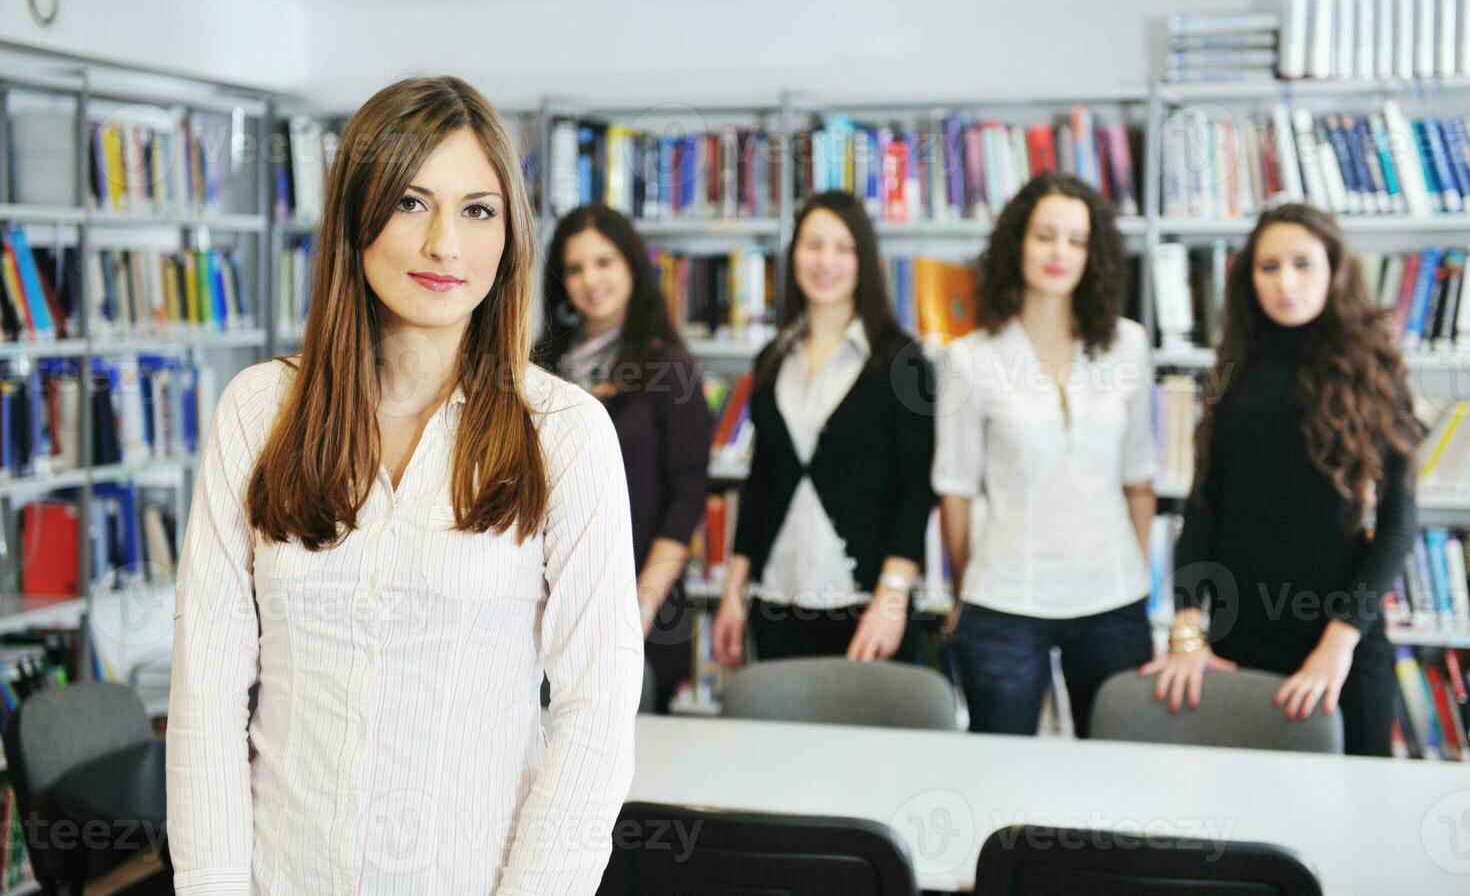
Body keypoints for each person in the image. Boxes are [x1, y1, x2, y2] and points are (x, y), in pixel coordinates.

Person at [167, 76, 642, 894]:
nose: (444, 247)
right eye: (412, 203)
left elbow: (594, 716)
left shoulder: (565, 434)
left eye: (477, 210)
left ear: (512, 234)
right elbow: (206, 694)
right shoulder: (257, 412)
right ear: (357, 217)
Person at [1143, 203, 1420, 757]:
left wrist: (1337, 646)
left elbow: (1397, 526)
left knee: (1355, 809)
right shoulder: (1232, 369)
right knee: (1241, 812)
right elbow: (1201, 512)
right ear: (1249, 278)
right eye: (1268, 267)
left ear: (1335, 269)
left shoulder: (1375, 373)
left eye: (1303, 264)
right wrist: (1187, 631)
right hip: (1236, 638)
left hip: (1342, 640)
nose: (1285, 282)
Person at [932, 172, 1157, 738]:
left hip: (1112, 597)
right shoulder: (969, 359)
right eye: (1045, 236)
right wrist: (964, 592)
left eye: (1077, 241)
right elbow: (956, 491)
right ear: (1017, 244)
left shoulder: (1127, 344)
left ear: (1094, 254)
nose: (1061, 252)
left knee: (1117, 777)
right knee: (1001, 779)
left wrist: (1131, 571)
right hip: (1004, 599)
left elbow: (1138, 480)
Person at [711, 190, 935, 667]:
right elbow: (761, 484)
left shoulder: (903, 361)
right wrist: (734, 590)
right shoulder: (773, 358)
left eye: (843, 247)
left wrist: (892, 597)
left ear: (864, 260)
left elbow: (916, 489)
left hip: (866, 605)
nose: (826, 261)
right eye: (813, 245)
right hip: (777, 600)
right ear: (794, 256)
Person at [535, 203, 711, 712]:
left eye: (604, 262)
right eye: (574, 267)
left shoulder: (668, 367)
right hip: (549, 603)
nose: (590, 279)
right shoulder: (542, 366)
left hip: (635, 607)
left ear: (632, 265)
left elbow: (687, 498)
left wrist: (641, 604)